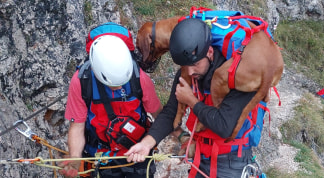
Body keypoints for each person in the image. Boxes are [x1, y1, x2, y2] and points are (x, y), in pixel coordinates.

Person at [125, 18, 259, 178]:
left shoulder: (238, 76)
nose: (189, 72)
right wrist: (147, 143)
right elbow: (170, 112)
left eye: (195, 65)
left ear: (209, 52)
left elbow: (224, 127)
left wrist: (191, 101)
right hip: (201, 156)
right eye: (184, 66)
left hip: (231, 164)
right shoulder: (189, 69)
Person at [59, 35, 162, 178]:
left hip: (137, 153)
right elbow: (77, 126)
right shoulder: (82, 82)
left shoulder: (139, 78)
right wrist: (75, 158)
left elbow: (160, 116)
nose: (118, 87)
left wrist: (179, 135)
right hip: (101, 157)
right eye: (113, 85)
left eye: (121, 82)